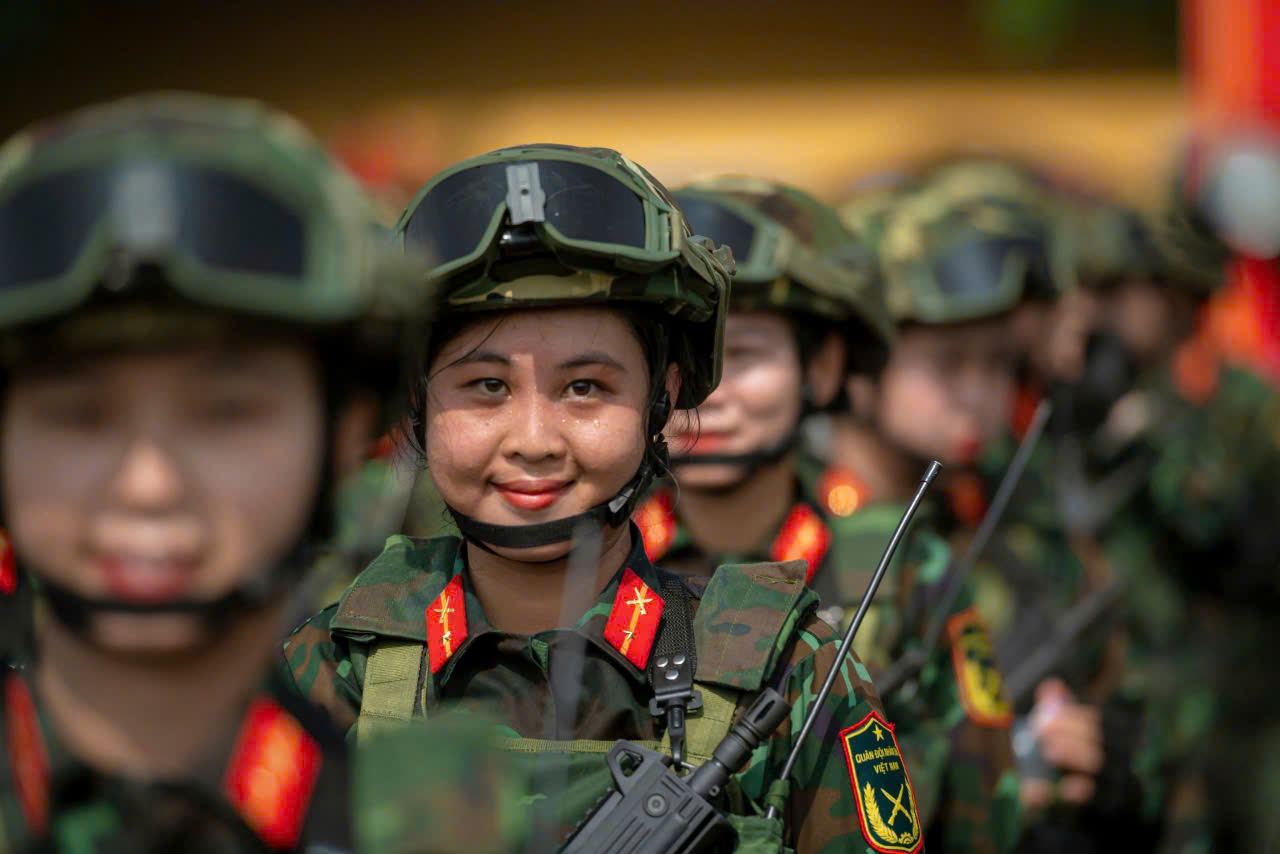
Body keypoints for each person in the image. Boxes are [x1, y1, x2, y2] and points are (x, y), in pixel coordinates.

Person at [281, 144, 899, 853]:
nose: (534, 440)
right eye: (486, 386)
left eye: (585, 387)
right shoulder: (332, 670)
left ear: (661, 397)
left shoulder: (788, 673)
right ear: (417, 400)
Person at [0, 93, 519, 854]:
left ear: (343, 437)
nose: (147, 486)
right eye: (78, 415)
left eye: (226, 413)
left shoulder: (445, 827)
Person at [632, 175, 1018, 852]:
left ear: (824, 367)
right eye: (679, 357)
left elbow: (983, 819)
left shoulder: (900, 562)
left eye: (742, 356)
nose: (707, 393)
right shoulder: (594, 556)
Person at [1050, 162, 1280, 852]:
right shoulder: (1072, 403)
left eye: (1119, 291)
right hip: (1120, 720)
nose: (1098, 311)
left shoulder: (1238, 406)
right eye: (1091, 291)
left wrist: (1147, 431)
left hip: (1226, 719)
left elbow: (1235, 539)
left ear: (1176, 297)